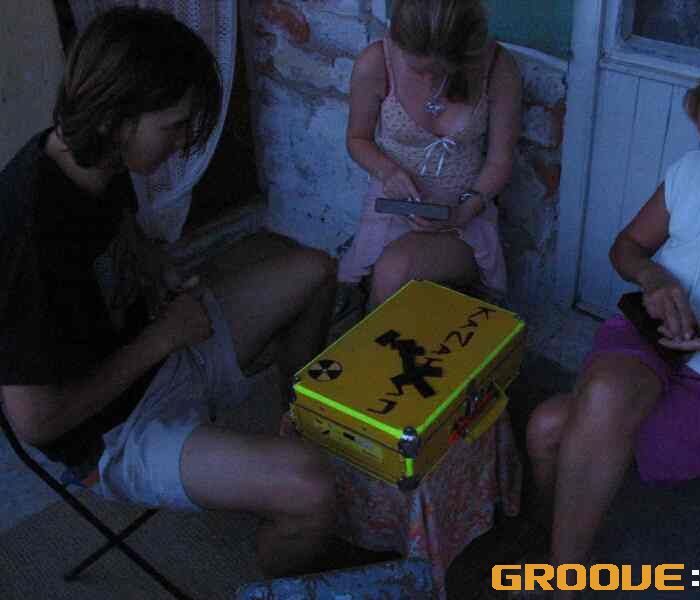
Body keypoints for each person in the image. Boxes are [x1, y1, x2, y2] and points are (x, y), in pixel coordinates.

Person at [0, 7, 338, 577]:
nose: (182, 144)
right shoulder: (27, 234)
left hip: (164, 345)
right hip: (114, 431)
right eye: (175, 126)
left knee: (316, 271)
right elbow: (38, 422)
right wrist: (162, 340)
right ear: (117, 118)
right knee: (314, 489)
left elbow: (123, 232)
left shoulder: (93, 158)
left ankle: (294, 426)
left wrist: (152, 265)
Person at [526, 41, 700, 597]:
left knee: (551, 428)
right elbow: (626, 248)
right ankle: (565, 569)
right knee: (589, 409)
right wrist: (653, 277)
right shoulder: (694, 174)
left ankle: (557, 562)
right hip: (649, 336)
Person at [338, 0, 522, 309]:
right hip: (394, 205)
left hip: (465, 212)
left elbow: (500, 160)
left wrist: (464, 211)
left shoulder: (497, 67)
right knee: (376, 282)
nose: (430, 82)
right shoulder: (377, 62)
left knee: (394, 272)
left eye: (442, 72)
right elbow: (357, 139)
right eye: (418, 70)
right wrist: (388, 171)